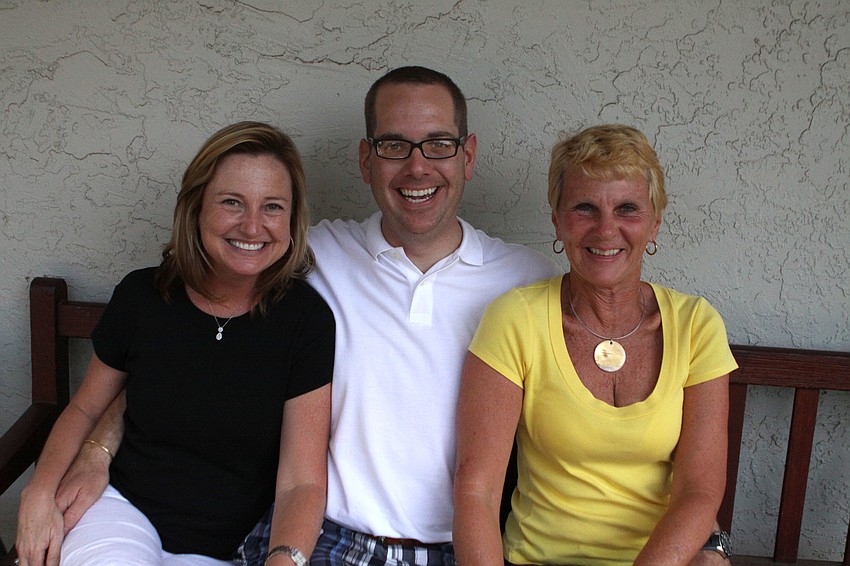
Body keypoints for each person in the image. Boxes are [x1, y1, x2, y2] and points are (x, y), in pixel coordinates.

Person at [47, 67, 561, 566]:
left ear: (467, 156)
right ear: (366, 161)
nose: (417, 166)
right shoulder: (306, 255)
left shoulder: (527, 282)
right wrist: (98, 449)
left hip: (467, 544)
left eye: (439, 144)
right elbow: (179, 335)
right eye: (393, 145)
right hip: (334, 540)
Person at [15, 121, 335, 566]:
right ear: (196, 205)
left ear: (292, 218)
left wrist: (283, 559)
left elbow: (301, 481)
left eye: (273, 207)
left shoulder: (305, 320)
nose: (252, 225)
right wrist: (39, 492)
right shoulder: (144, 296)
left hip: (233, 547)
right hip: (122, 512)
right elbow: (87, 407)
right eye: (231, 202)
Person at [452, 124, 738, 565]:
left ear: (655, 222)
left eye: (627, 209)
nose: (606, 230)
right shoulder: (516, 319)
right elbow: (477, 491)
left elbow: (698, 494)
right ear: (558, 220)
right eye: (585, 208)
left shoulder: (696, 325)